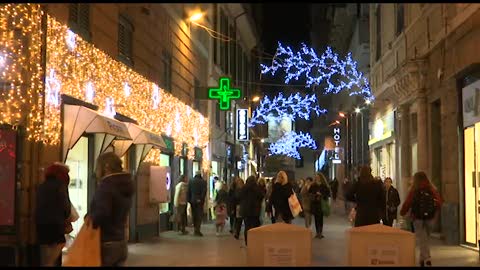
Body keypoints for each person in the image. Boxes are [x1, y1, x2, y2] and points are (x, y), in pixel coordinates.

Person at [88, 152, 134, 267]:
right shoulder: (125, 185)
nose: (96, 171)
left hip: (106, 243)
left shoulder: (107, 185)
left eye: (98, 166)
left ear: (106, 167)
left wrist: (90, 220)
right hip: (120, 242)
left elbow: (102, 213)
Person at [400, 172, 443, 267]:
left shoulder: (414, 189)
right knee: (425, 238)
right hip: (430, 218)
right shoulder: (431, 189)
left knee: (422, 238)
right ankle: (422, 259)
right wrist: (435, 211)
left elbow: (407, 202)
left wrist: (402, 212)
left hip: (417, 218)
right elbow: (439, 202)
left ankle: (426, 258)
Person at [36, 162, 72, 266]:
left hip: (41, 224)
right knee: (59, 245)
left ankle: (48, 263)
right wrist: (66, 217)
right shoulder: (60, 186)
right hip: (56, 224)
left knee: (46, 251)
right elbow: (66, 207)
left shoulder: (42, 186)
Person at [239, 175, 264, 246]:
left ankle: (247, 242)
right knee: (254, 227)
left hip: (246, 211)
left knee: (247, 227)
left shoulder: (244, 188)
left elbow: (239, 196)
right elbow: (261, 196)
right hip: (255, 211)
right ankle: (254, 242)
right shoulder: (257, 188)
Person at [309, 173, 331, 238]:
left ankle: (320, 232)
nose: (317, 178)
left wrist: (321, 194)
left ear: (321, 178)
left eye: (318, 177)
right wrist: (315, 194)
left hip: (321, 204)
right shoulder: (313, 185)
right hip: (315, 204)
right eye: (316, 177)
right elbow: (310, 193)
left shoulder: (324, 185)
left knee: (320, 218)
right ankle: (317, 232)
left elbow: (328, 193)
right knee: (316, 218)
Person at [188, 171, 207, 237]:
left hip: (192, 200)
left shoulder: (191, 181)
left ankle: (195, 229)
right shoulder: (203, 182)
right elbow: (204, 192)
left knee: (194, 214)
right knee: (199, 215)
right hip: (199, 201)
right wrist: (201, 199)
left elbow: (189, 191)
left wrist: (189, 200)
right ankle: (197, 230)